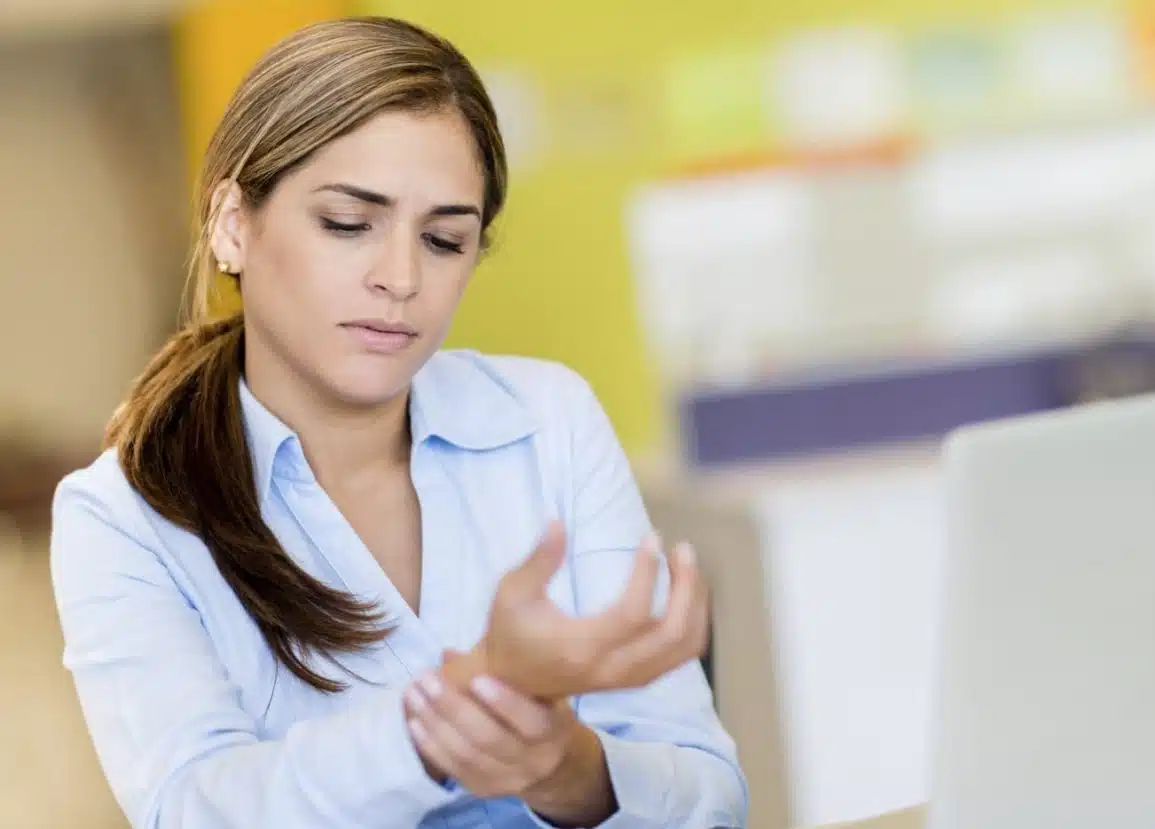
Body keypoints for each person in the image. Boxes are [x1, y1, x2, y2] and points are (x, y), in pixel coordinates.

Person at [49, 16, 746, 829]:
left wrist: (563, 764)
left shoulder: (549, 419)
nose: (402, 277)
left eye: (446, 239)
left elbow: (709, 792)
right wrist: (452, 716)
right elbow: (197, 809)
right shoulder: (121, 518)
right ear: (234, 223)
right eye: (349, 224)